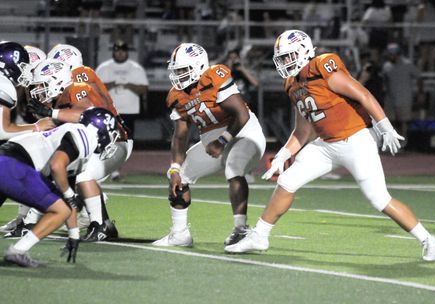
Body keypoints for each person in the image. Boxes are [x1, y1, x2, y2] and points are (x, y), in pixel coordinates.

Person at [225, 30, 435, 262]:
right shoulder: (292, 83)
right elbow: (303, 130)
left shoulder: (322, 65)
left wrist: (385, 126)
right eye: (282, 58)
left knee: (379, 198)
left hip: (356, 140)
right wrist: (283, 154)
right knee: (287, 181)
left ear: (304, 52)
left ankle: (430, 241)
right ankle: (260, 236)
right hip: (326, 145)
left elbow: (363, 94)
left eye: (289, 56)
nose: (284, 63)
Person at [153, 43, 266, 248]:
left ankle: (241, 229)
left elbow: (242, 113)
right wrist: (175, 168)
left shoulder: (215, 76)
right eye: (175, 70)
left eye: (182, 70)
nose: (177, 75)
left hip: (243, 131)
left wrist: (222, 141)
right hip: (210, 139)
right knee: (178, 177)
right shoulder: (176, 95)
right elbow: (180, 136)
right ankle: (180, 234)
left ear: (198, 66)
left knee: (234, 166)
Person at [1, 107, 119, 267]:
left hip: (7, 159)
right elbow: (56, 166)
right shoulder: (85, 136)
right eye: (110, 132)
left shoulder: (75, 136)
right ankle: (17, 251)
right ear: (99, 128)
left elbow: (67, 197)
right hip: (15, 165)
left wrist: (74, 234)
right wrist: (69, 194)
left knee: (63, 206)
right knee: (60, 210)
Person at [27, 59, 129, 242]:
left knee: (83, 174)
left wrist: (52, 114)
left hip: (114, 144)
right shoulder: (60, 100)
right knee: (65, 173)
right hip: (98, 147)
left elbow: (84, 116)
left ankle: (99, 226)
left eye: (42, 85)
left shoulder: (76, 89)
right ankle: (105, 224)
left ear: (56, 81)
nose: (39, 90)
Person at [0, 42, 55, 235]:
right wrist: (36, 127)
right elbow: (3, 130)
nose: (25, 72)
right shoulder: (4, 85)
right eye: (22, 66)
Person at [96, 40, 147, 181]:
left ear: (127, 52)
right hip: (109, 110)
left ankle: (116, 169)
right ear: (113, 52)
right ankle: (107, 170)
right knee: (107, 140)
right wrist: (111, 85)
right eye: (117, 50)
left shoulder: (135, 68)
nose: (120, 53)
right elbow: (94, 88)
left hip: (130, 110)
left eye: (122, 50)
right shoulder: (104, 68)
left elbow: (144, 88)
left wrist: (130, 86)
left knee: (125, 141)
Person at [382, 43, 423, 139]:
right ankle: (392, 141)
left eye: (393, 54)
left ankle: (404, 140)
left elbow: (419, 77)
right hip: (390, 98)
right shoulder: (386, 66)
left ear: (398, 54)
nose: (391, 56)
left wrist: (420, 93)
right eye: (390, 54)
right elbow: (385, 80)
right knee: (389, 120)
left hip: (404, 97)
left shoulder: (407, 64)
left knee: (403, 121)